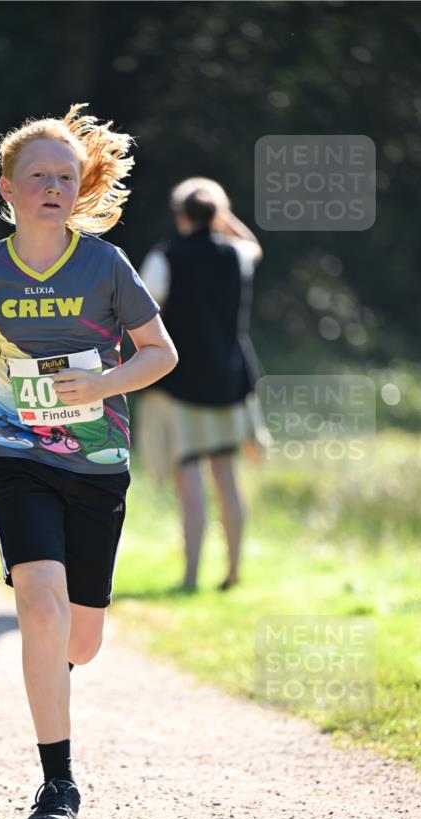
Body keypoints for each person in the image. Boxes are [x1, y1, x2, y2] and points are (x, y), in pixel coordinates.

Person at [0, 104, 178, 819]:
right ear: (7, 189)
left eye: (66, 175)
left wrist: (101, 385)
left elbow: (161, 353)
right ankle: (56, 786)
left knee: (77, 641)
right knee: (38, 605)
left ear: (80, 186)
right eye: (38, 177)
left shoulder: (104, 264)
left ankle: (52, 667)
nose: (54, 187)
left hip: (98, 464)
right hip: (17, 454)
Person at [139, 177, 266, 592]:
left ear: (180, 216)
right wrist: (224, 217)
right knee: (226, 477)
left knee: (189, 479)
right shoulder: (237, 254)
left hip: (179, 384)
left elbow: (142, 311)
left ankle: (191, 578)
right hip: (230, 381)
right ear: (216, 215)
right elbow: (254, 245)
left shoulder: (164, 258)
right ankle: (232, 573)